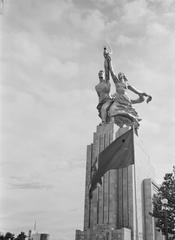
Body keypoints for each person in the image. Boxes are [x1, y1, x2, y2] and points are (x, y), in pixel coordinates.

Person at [104, 51, 152, 128]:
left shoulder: (127, 84)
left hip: (125, 100)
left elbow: (138, 91)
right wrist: (109, 60)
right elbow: (112, 71)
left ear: (123, 76)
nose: (119, 75)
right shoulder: (116, 82)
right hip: (118, 100)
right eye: (119, 75)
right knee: (112, 111)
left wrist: (147, 95)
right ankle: (124, 122)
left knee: (126, 112)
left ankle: (132, 121)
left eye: (121, 74)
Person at [95, 57, 112, 123]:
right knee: (102, 110)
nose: (101, 74)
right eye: (99, 73)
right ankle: (105, 121)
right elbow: (99, 96)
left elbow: (107, 70)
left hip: (108, 100)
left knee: (104, 109)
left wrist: (106, 60)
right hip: (101, 102)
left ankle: (103, 122)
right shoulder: (96, 86)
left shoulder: (107, 82)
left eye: (102, 73)